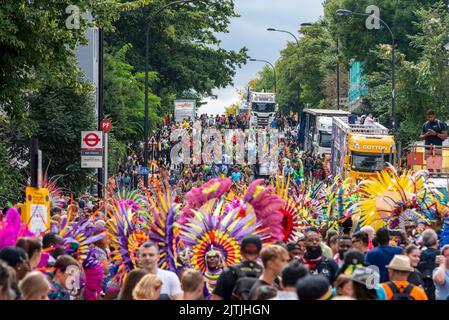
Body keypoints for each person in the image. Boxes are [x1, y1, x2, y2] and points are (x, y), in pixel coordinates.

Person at [212, 236, 263, 300]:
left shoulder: (228, 272)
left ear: (241, 252)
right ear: (260, 253)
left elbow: (216, 298)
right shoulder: (266, 274)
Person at [417, 228, 440, 300]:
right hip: (437, 290)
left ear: (423, 242)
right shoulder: (441, 255)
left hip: (422, 289)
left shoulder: (418, 255)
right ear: (436, 240)